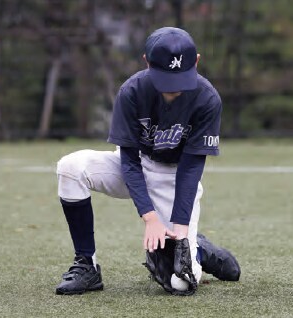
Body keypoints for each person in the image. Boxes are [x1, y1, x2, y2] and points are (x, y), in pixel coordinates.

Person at [54, 27, 240, 295]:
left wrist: (180, 229)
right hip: (136, 166)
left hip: (174, 177)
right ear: (147, 62)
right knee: (70, 168)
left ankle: (200, 249)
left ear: (196, 62)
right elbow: (128, 161)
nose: (173, 91)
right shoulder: (132, 91)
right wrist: (151, 218)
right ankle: (87, 266)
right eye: (166, 80)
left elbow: (191, 169)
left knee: (181, 283)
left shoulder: (207, 98)